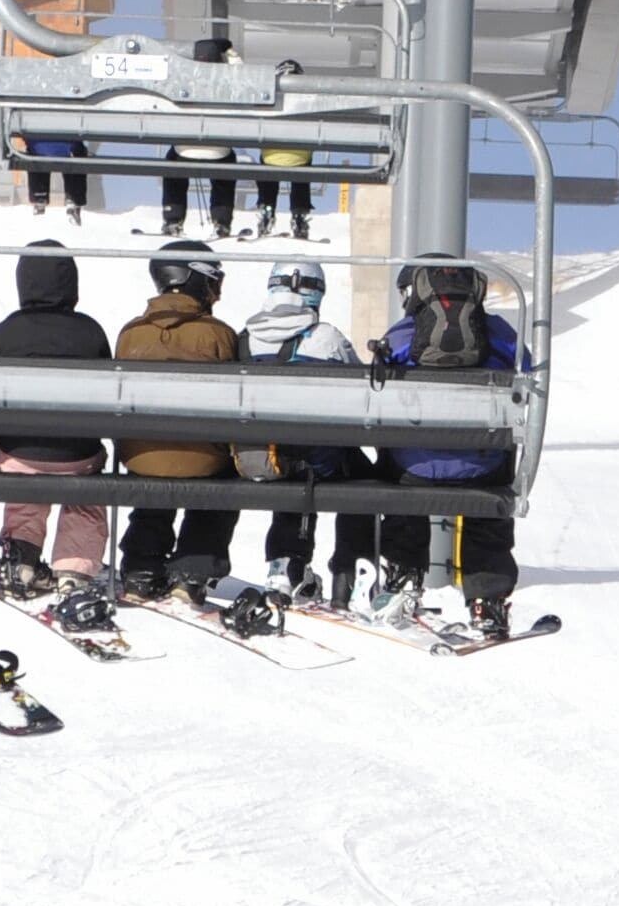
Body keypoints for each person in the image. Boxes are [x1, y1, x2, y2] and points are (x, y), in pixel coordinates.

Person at [374, 257, 522, 636]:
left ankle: (404, 577)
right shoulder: (500, 333)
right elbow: (529, 382)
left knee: (398, 473)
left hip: (412, 472)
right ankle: (486, 600)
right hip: (484, 471)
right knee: (490, 498)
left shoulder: (402, 335)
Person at [236, 259, 371, 603]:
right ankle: (350, 574)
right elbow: (364, 393)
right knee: (363, 478)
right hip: (313, 460)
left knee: (290, 458)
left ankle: (285, 564)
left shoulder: (244, 339)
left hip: (253, 459)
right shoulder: (325, 337)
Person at [115, 238, 242, 599]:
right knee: (224, 475)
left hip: (140, 455)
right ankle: (194, 568)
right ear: (195, 279)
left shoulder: (131, 333)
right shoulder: (219, 334)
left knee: (155, 465)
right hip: (203, 459)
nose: (217, 292)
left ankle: (141, 564)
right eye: (215, 280)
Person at [0, 239, 112, 597]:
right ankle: (74, 571)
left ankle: (22, 560)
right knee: (85, 502)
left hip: (19, 453)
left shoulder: (7, 331)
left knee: (26, 491)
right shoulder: (90, 331)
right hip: (78, 456)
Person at [163, 36, 243, 237]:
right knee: (226, 167)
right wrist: (231, 52)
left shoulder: (184, 80)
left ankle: (173, 218)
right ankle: (222, 221)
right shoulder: (229, 81)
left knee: (173, 165)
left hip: (185, 149)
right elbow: (246, 75)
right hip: (218, 150)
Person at [23, 134, 88, 222]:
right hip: (68, 147)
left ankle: (39, 195)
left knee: (35, 150)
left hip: (38, 147)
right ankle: (74, 198)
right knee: (77, 152)